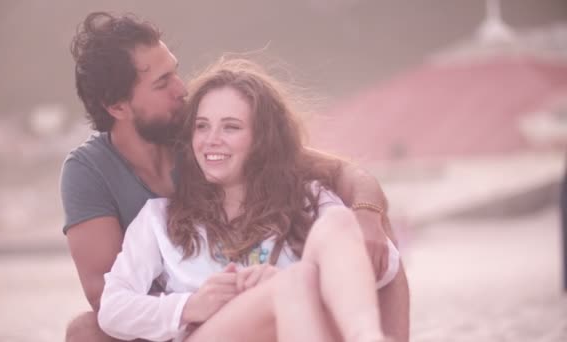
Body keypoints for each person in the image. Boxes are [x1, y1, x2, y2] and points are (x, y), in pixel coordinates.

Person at [61, 11, 409, 342]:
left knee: (342, 230)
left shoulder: (299, 192)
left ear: (261, 138)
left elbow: (344, 176)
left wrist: (366, 215)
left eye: (231, 127)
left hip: (289, 312)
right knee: (85, 330)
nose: (182, 89)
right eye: (162, 82)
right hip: (198, 327)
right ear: (118, 107)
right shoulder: (149, 212)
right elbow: (107, 302)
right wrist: (194, 304)